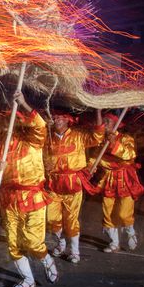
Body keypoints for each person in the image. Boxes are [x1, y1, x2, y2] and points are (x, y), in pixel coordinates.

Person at [0, 91, 58, 287]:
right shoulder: (0, 147)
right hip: (10, 198)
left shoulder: (34, 142)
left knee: (33, 241)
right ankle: (28, 280)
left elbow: (40, 125)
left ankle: (46, 260)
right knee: (13, 243)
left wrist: (24, 104)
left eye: (14, 122)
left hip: (33, 196)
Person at [44, 109, 104, 263]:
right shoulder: (47, 136)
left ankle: (75, 251)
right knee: (51, 219)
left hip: (73, 183)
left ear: (67, 119)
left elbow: (97, 136)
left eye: (60, 117)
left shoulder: (78, 135)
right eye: (54, 117)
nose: (56, 120)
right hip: (53, 183)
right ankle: (61, 243)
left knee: (71, 220)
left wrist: (98, 112)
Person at [92, 112, 144, 252]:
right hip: (108, 178)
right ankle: (114, 243)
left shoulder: (125, 138)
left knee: (123, 212)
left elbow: (130, 155)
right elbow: (95, 157)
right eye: (104, 121)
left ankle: (130, 231)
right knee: (108, 211)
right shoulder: (101, 140)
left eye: (108, 121)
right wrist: (89, 168)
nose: (105, 123)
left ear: (116, 124)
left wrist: (114, 143)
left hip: (125, 178)